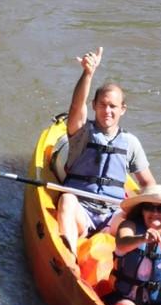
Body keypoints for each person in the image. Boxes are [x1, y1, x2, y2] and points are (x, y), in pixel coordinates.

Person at [57, 46, 156, 264]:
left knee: (137, 223)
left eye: (113, 106)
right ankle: (69, 261)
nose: (107, 111)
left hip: (114, 215)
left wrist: (157, 213)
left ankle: (137, 270)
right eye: (102, 105)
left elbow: (148, 183)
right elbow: (76, 106)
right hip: (81, 209)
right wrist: (88, 73)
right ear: (94, 106)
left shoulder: (131, 143)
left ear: (123, 109)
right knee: (66, 199)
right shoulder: (82, 131)